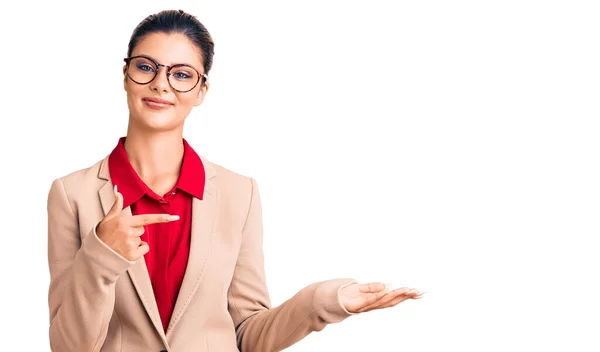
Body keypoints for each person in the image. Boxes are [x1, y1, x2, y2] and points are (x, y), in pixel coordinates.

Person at [46, 9, 423, 352]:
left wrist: (319, 303)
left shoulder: (238, 193)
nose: (161, 84)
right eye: (147, 67)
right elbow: (69, 347)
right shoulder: (72, 194)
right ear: (125, 75)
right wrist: (100, 256)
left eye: (181, 74)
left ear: (201, 91)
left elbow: (248, 334)